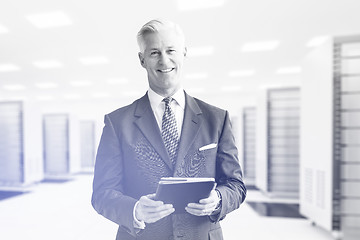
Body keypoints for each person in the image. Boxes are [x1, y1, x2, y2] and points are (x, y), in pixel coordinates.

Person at [91, 19, 246, 240]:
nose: (164, 60)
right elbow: (102, 193)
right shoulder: (118, 123)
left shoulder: (216, 118)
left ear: (184, 52)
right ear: (142, 59)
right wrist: (135, 210)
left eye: (170, 50)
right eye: (154, 52)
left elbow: (236, 185)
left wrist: (218, 199)